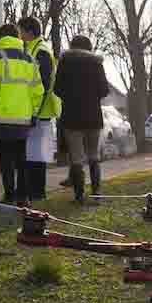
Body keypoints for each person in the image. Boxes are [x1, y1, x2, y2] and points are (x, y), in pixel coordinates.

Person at [0, 23, 44, 206]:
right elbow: (37, 91)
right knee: (22, 159)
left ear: (0, 37)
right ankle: (23, 196)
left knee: (6, 160)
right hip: (24, 118)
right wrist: (34, 113)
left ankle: (9, 195)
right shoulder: (29, 60)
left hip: (3, 118)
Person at [53, 35, 110, 203]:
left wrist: (69, 97)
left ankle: (79, 196)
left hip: (71, 116)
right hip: (93, 115)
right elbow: (104, 90)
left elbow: (57, 89)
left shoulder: (65, 62)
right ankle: (96, 191)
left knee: (76, 157)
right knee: (93, 154)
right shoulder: (96, 63)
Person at [18, 17, 61, 202]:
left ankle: (37, 192)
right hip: (37, 111)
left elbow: (42, 85)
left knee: (37, 156)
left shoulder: (40, 52)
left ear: (28, 32)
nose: (19, 35)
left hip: (40, 112)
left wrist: (34, 111)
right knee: (33, 154)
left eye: (21, 31)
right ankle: (34, 191)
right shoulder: (33, 49)